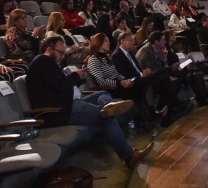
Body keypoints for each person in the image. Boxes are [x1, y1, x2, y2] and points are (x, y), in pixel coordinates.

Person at [25, 37, 150, 169]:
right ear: (49, 49)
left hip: (67, 103)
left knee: (102, 94)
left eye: (63, 53)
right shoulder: (42, 62)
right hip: (58, 111)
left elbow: (61, 86)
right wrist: (75, 76)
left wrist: (78, 78)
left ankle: (107, 106)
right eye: (60, 52)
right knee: (106, 117)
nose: (62, 56)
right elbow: (60, 86)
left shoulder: (49, 64)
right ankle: (129, 157)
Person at [134, 31, 187, 125]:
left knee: (175, 83)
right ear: (156, 42)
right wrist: (170, 68)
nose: (165, 42)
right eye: (162, 40)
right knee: (167, 83)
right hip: (147, 82)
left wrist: (165, 58)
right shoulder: (146, 52)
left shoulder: (157, 49)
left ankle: (169, 112)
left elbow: (161, 68)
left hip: (157, 77)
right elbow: (151, 72)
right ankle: (174, 105)